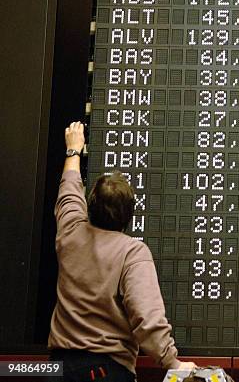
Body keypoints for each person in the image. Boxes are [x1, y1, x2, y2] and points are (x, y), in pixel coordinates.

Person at [47, 122, 196, 381]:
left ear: (89, 207)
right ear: (129, 216)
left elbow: (68, 191)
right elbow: (147, 318)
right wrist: (172, 362)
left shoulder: (70, 233)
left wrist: (73, 151)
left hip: (58, 368)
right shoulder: (132, 252)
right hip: (105, 370)